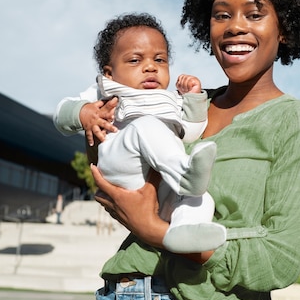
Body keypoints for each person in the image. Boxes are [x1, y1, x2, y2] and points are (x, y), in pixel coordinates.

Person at [82, 0, 300, 300]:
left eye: (255, 13)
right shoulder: (181, 105)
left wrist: (157, 232)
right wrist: (93, 119)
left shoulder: (298, 120)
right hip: (117, 295)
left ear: (285, 29)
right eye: (221, 15)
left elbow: (280, 258)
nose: (235, 26)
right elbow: (111, 170)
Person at [54, 13, 226, 254]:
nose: (150, 67)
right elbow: (61, 114)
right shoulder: (105, 92)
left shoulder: (171, 99)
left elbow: (191, 133)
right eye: (135, 60)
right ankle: (186, 175)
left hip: (164, 181)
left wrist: (194, 99)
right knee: (145, 126)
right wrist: (84, 113)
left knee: (201, 199)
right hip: (123, 163)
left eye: (160, 60)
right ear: (109, 73)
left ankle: (184, 231)